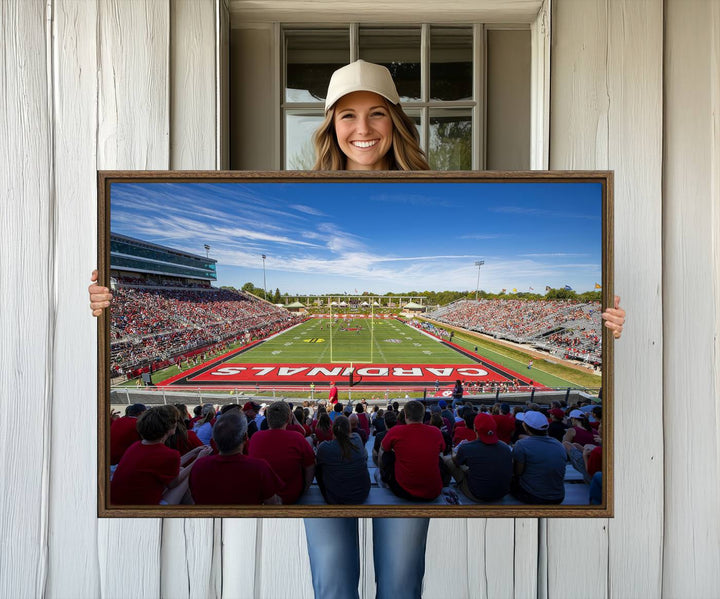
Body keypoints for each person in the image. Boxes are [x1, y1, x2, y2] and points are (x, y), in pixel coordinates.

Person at [88, 58, 626, 599]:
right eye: (347, 116)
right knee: (333, 579)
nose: (362, 129)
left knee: (400, 579)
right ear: (330, 126)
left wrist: (604, 323)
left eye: (376, 114)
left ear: (396, 120)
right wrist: (108, 299)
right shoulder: (298, 189)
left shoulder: (441, 189)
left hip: (331, 466)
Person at [189, 410, 283, 505]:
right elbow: (273, 504)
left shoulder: (199, 466)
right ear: (245, 437)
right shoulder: (259, 468)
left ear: (214, 441)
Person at [247, 400, 315, 505]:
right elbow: (310, 466)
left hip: (263, 499)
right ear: (288, 419)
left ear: (268, 419)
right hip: (291, 497)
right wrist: (305, 488)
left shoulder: (256, 437)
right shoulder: (297, 438)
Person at [442, 413, 512, 502]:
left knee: (446, 460)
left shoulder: (467, 447)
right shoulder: (505, 447)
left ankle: (444, 487)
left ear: (475, 428)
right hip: (501, 494)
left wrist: (453, 452)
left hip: (478, 495)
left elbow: (455, 462)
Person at [510, 410, 567, 504]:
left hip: (535, 496)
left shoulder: (521, 445)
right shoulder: (558, 444)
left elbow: (517, 472)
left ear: (525, 426)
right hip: (559, 497)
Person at [315, 415, 370, 504]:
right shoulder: (357, 438)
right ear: (349, 429)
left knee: (318, 465)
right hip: (362, 494)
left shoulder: (324, 447)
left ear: (333, 430)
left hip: (336, 499)